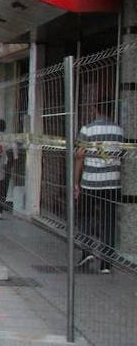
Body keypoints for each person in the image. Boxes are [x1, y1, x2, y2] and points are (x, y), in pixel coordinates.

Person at [75, 107, 123, 274]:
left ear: (95, 109)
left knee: (86, 217)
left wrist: (76, 182)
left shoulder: (87, 129)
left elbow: (80, 157)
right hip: (112, 183)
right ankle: (106, 263)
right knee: (109, 222)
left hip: (90, 183)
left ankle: (86, 252)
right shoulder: (119, 130)